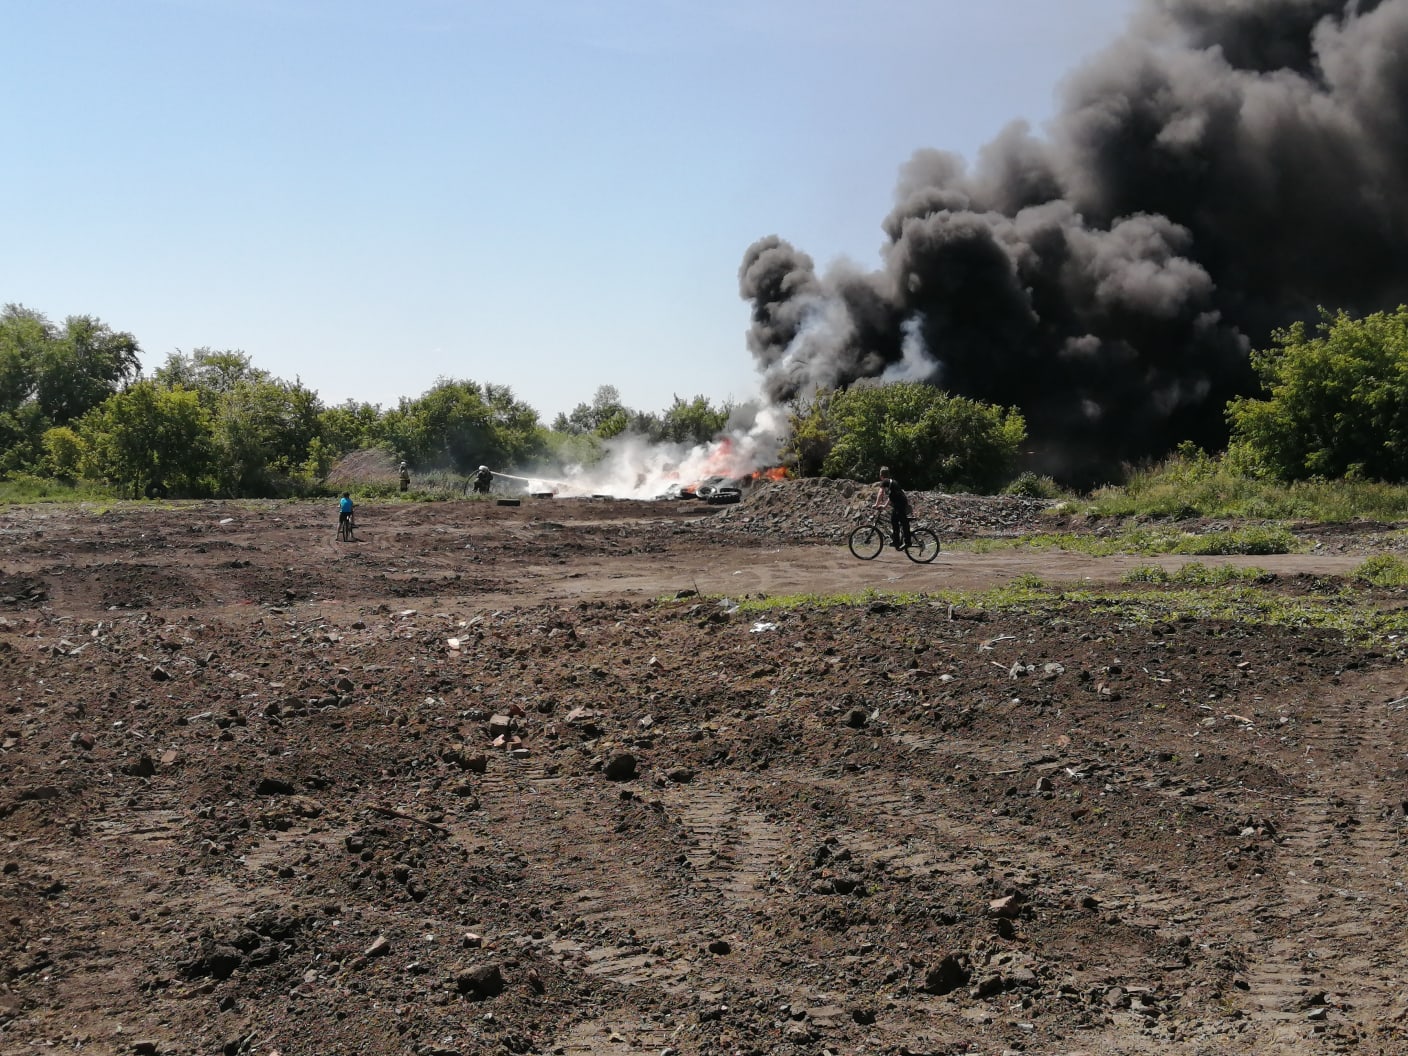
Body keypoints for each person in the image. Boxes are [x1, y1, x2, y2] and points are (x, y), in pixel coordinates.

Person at [873, 466, 912, 549]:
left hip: (900, 504)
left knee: (897, 519)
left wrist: (876, 504)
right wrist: (884, 506)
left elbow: (880, 493)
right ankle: (898, 541)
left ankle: (903, 541)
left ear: (881, 475)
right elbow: (891, 497)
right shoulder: (892, 482)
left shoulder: (885, 482)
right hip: (901, 503)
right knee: (895, 520)